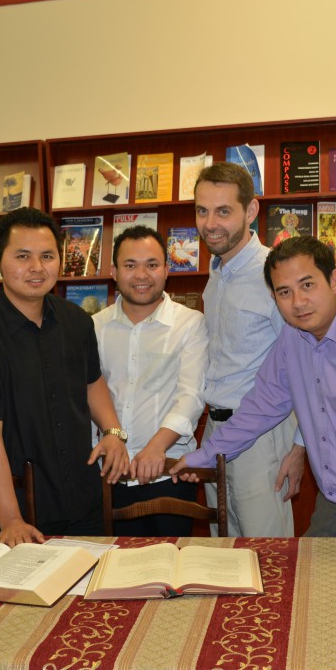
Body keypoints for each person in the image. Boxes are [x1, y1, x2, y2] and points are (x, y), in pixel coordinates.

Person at [172, 236, 336, 569]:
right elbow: (261, 406)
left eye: (307, 285)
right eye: (284, 292)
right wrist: (205, 456)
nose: (298, 302)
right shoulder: (293, 338)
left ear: (334, 280)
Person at [0, 208, 129, 546]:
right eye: (23, 256)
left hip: (85, 498)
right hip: (23, 509)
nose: (36, 267)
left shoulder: (77, 322)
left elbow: (92, 382)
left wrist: (113, 431)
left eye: (47, 256)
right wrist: (11, 519)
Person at [194, 162, 301, 537]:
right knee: (223, 553)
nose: (211, 224)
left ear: (251, 211)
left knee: (268, 557)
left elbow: (303, 362)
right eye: (202, 211)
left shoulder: (274, 274)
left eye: (224, 211)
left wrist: (300, 446)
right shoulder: (217, 273)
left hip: (263, 437)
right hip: (215, 431)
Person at [93, 225, 208, 536]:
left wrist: (156, 448)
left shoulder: (190, 324)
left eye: (152, 265)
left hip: (168, 475)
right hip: (107, 476)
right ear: (114, 271)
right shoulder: (94, 327)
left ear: (167, 270)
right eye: (130, 265)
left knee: (170, 573)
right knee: (110, 574)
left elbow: (191, 396)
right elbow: (90, 392)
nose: (141, 275)